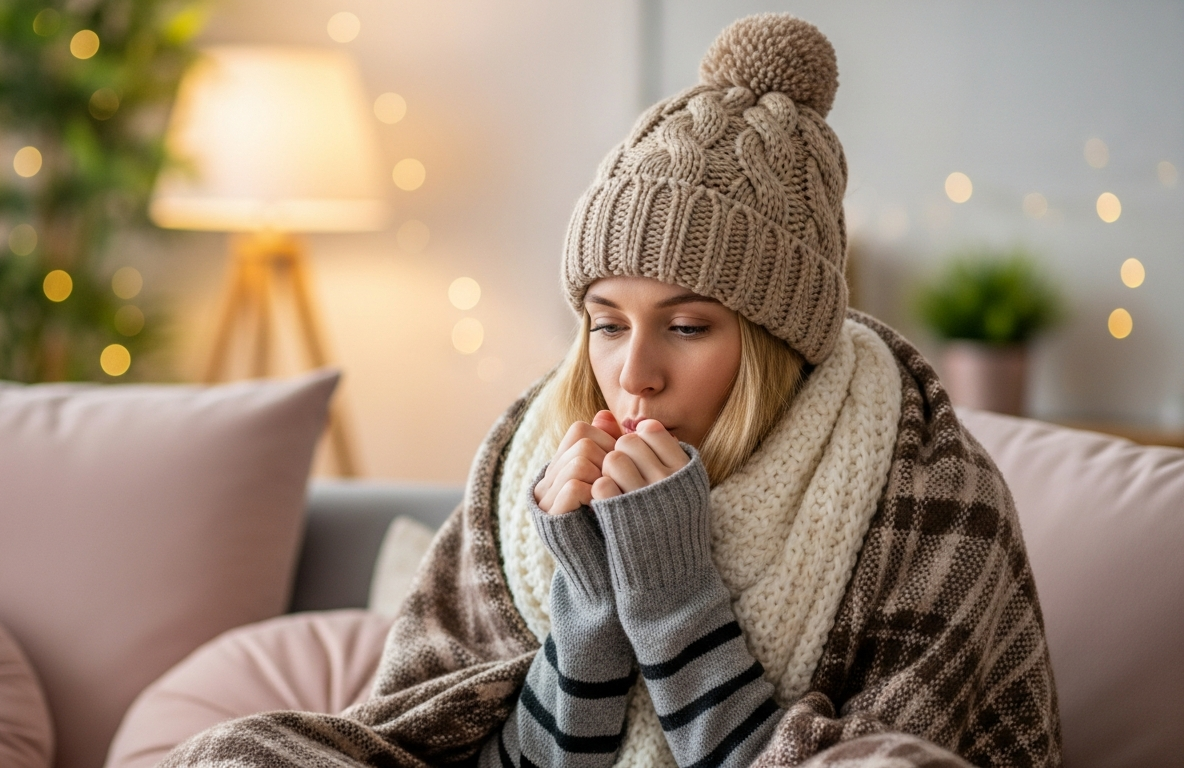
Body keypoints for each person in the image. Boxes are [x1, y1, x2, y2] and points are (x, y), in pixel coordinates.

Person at [163, 13, 1061, 768]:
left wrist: (675, 602)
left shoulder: (929, 485)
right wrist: (588, 612)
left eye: (687, 325)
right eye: (606, 321)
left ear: (778, 342)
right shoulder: (526, 458)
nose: (633, 373)